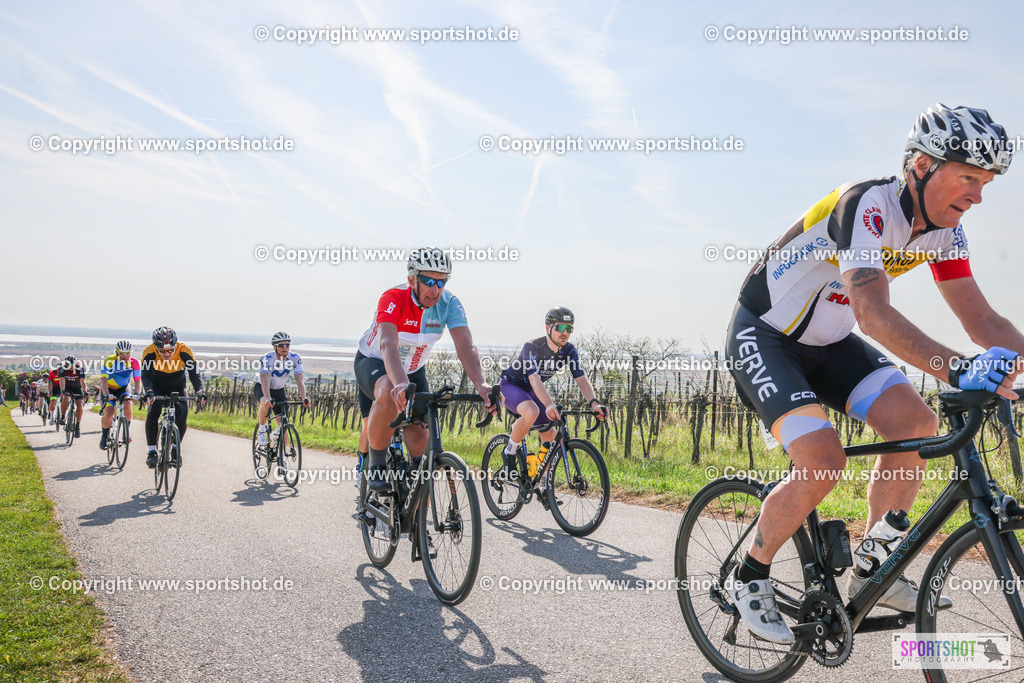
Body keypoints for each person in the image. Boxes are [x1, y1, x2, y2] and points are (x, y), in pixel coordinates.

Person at [723, 103, 1022, 644]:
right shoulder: (865, 205)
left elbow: (982, 321)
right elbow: (873, 314)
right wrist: (958, 369)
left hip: (830, 343)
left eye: (986, 183)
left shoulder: (946, 233)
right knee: (822, 461)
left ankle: (874, 566)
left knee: (916, 424)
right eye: (969, 178)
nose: (977, 196)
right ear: (922, 166)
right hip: (765, 337)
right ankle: (749, 575)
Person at [355, 247, 496, 491]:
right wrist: (399, 382)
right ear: (412, 279)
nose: (435, 289)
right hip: (375, 362)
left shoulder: (450, 304)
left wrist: (482, 385)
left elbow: (466, 347)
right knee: (388, 389)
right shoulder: (393, 298)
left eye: (442, 282)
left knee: (422, 440)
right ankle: (376, 464)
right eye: (429, 281)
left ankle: (415, 497)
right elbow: (387, 344)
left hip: (414, 370)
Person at [498, 307, 607, 490]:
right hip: (511, 386)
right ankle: (509, 451)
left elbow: (580, 378)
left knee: (550, 434)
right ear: (548, 327)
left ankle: (544, 485)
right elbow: (534, 378)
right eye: (560, 327)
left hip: (532, 390)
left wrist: (594, 403)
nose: (565, 333)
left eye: (569, 328)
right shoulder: (532, 347)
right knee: (532, 411)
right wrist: (548, 403)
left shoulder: (569, 351)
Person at [141, 327, 204, 468]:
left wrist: (199, 391)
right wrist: (149, 391)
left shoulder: (184, 350)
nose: (167, 354)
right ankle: (152, 451)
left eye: (170, 350)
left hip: (177, 386)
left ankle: (175, 449)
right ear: (156, 348)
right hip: (157, 386)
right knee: (154, 412)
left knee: (182, 414)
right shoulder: (149, 352)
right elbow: (146, 375)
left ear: (175, 346)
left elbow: (194, 374)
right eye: (162, 351)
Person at [254, 332, 309, 449]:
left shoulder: (295, 358)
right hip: (263, 387)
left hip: (279, 389)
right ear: (274, 346)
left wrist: (304, 397)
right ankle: (262, 430)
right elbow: (264, 379)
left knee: (283, 422)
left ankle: (282, 454)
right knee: (265, 403)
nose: (285, 348)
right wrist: (267, 397)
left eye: (287, 345)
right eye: (281, 345)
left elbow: (299, 379)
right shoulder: (266, 358)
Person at [98, 340, 142, 450]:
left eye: (127, 353)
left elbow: (137, 379)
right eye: (122, 353)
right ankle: (104, 436)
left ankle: (126, 433)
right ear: (116, 352)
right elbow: (103, 379)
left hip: (123, 388)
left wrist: (137, 392)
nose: (124, 356)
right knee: (109, 411)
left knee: (127, 403)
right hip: (109, 388)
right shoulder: (109, 360)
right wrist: (106, 394)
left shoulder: (134, 362)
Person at [58, 357, 88, 438]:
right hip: (67, 387)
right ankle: (63, 417)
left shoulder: (79, 369)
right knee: (66, 397)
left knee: (79, 404)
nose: (70, 366)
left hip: (77, 388)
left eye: (72, 364)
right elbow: (62, 381)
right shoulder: (62, 369)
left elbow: (82, 381)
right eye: (68, 365)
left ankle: (77, 426)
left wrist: (85, 391)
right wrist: (62, 390)